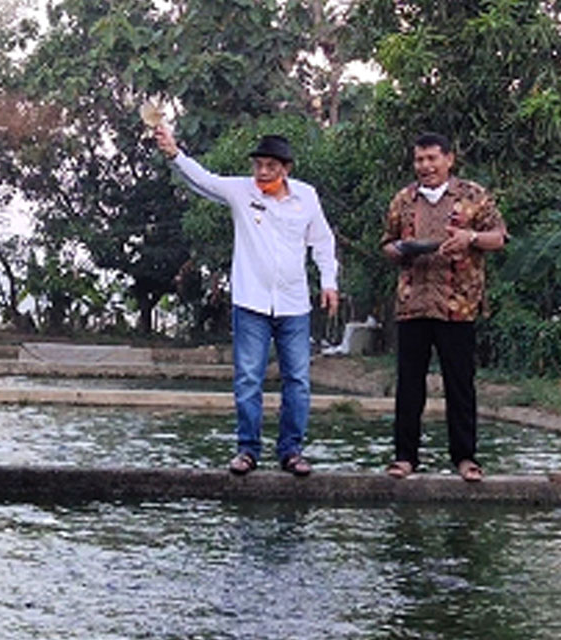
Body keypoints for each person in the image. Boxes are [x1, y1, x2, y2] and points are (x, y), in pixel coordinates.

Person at [152, 120, 339, 476]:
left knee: (297, 379)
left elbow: (323, 242)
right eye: (258, 165)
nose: (262, 171)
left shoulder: (307, 197)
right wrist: (174, 153)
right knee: (249, 378)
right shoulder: (242, 191)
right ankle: (248, 450)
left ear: (285, 169)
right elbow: (204, 180)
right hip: (251, 302)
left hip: (294, 304)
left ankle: (291, 452)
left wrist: (329, 282)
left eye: (270, 166)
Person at [380, 132, 507, 482]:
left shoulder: (473, 195)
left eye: (432, 158)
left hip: (458, 306)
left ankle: (465, 458)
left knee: (460, 384)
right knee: (409, 385)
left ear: (449, 159)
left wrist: (471, 239)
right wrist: (402, 249)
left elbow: (499, 237)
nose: (425, 166)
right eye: (420, 159)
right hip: (413, 304)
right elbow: (387, 244)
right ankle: (405, 458)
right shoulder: (403, 199)